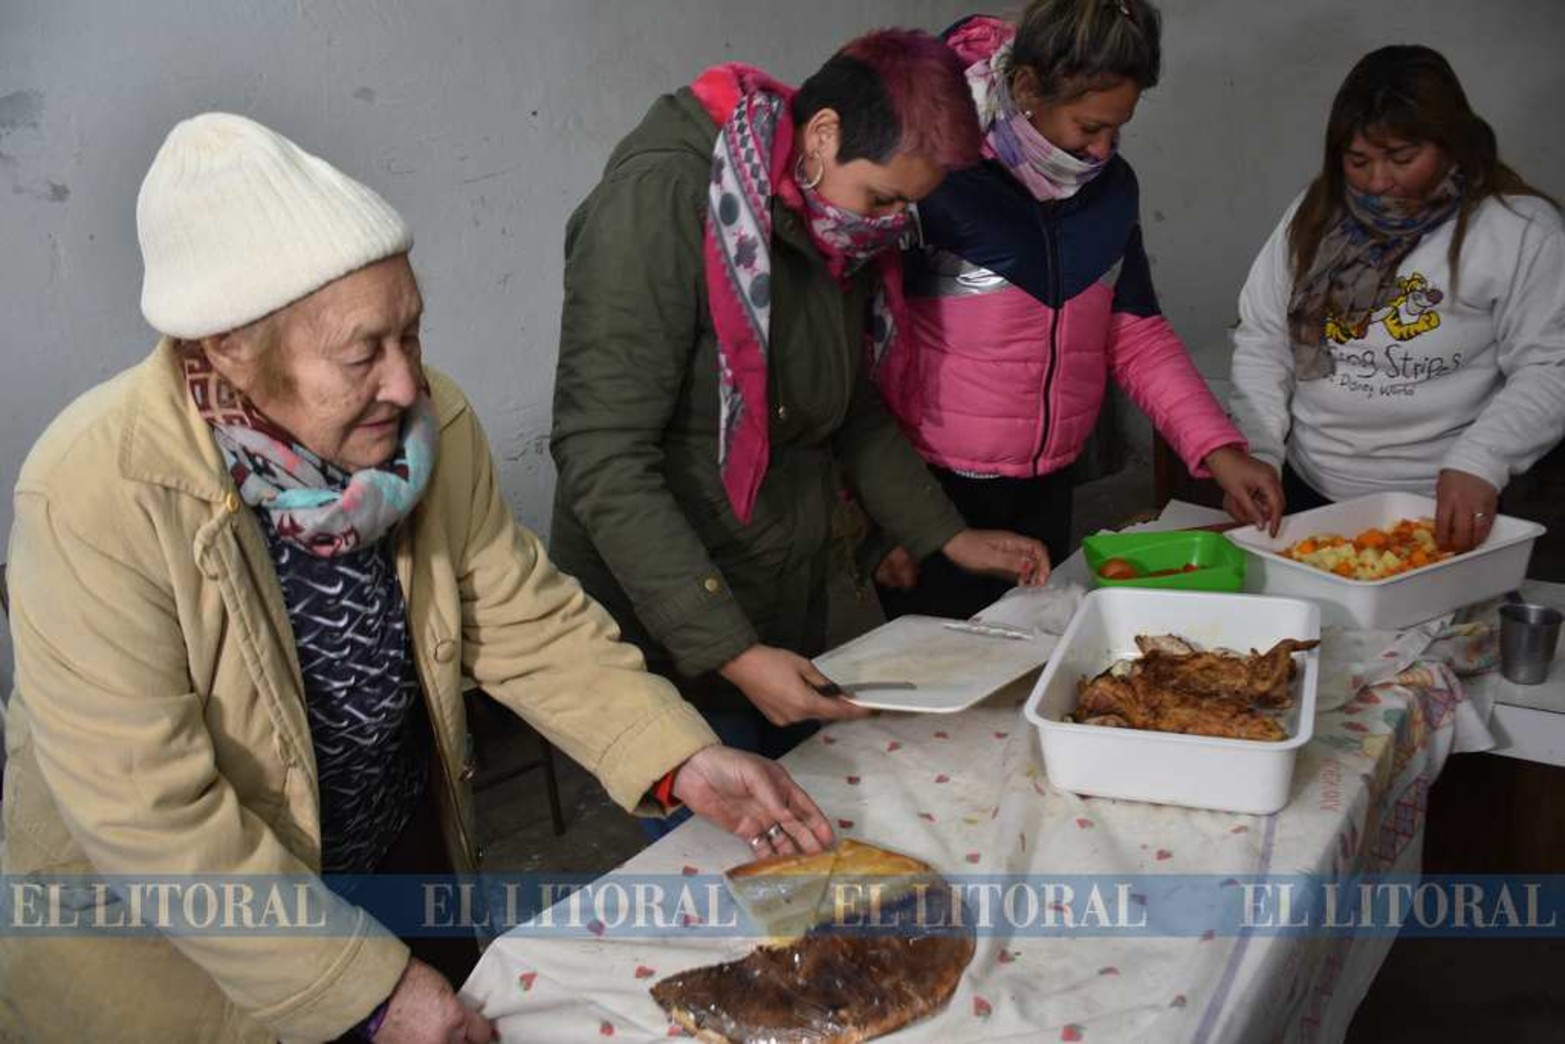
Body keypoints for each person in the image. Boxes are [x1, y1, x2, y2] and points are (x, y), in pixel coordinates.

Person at [0, 113, 835, 1044]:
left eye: (412, 333)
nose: (406, 385)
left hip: (387, 851)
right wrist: (358, 987)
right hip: (184, 942)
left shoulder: (427, 432)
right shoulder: (95, 491)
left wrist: (677, 757)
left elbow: (525, 619)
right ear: (230, 348)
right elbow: (147, 814)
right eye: (364, 353)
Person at [549, 28, 1049, 770]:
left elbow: (847, 405)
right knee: (721, 837)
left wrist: (944, 535)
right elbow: (603, 455)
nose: (883, 226)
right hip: (667, 609)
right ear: (822, 134)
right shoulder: (663, 202)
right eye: (881, 198)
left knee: (801, 805)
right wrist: (733, 650)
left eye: (902, 209)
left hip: (770, 583)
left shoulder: (813, 214)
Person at [867, 0, 1282, 621]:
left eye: (1119, 128)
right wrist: (881, 516)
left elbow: (1136, 333)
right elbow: (864, 347)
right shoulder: (938, 178)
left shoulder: (1111, 191)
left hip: (1050, 483)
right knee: (945, 676)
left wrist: (1219, 451)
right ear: (1028, 87)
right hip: (934, 491)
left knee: (1033, 658)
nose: (1101, 149)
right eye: (1089, 128)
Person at [1228, 45, 1565, 552]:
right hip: (1307, 491)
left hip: (1446, 504)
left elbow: (1550, 363)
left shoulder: (1517, 229)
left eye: (1403, 158)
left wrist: (1483, 460)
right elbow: (1263, 339)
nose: (1379, 182)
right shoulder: (1316, 214)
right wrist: (1258, 450)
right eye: (1358, 161)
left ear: (1451, 144)